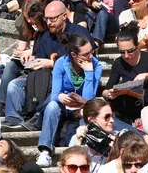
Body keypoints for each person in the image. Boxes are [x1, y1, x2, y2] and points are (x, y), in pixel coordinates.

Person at [2, 1, 94, 127]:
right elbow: (40, 58)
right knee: (14, 84)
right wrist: (31, 59)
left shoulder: (79, 32)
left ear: (64, 16)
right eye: (47, 19)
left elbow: (86, 59)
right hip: (43, 79)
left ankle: (38, 118)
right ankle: (13, 117)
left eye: (53, 19)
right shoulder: (46, 35)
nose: (49, 23)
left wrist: (52, 63)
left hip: (68, 80)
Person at [35, 34, 102, 167]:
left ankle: (83, 153)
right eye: (86, 54)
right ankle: (45, 151)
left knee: (87, 112)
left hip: (81, 108)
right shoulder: (61, 63)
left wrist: (89, 72)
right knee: (52, 105)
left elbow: (89, 99)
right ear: (74, 55)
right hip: (62, 106)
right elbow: (55, 93)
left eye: (91, 51)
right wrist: (60, 97)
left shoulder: (96, 65)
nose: (90, 56)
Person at [103, 21, 148, 125]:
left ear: (137, 46)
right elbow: (106, 90)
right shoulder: (118, 63)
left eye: (130, 51)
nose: (126, 55)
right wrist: (110, 94)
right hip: (129, 107)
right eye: (122, 52)